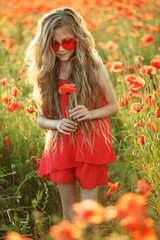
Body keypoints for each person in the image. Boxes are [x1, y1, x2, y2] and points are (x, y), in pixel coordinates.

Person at [24, 7, 119, 221]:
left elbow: (114, 106)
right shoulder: (47, 71)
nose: (60, 49)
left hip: (90, 141)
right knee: (68, 213)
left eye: (67, 42)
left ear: (79, 37)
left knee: (87, 212)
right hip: (61, 143)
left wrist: (90, 113)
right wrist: (56, 124)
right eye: (54, 44)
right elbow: (41, 118)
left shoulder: (93, 65)